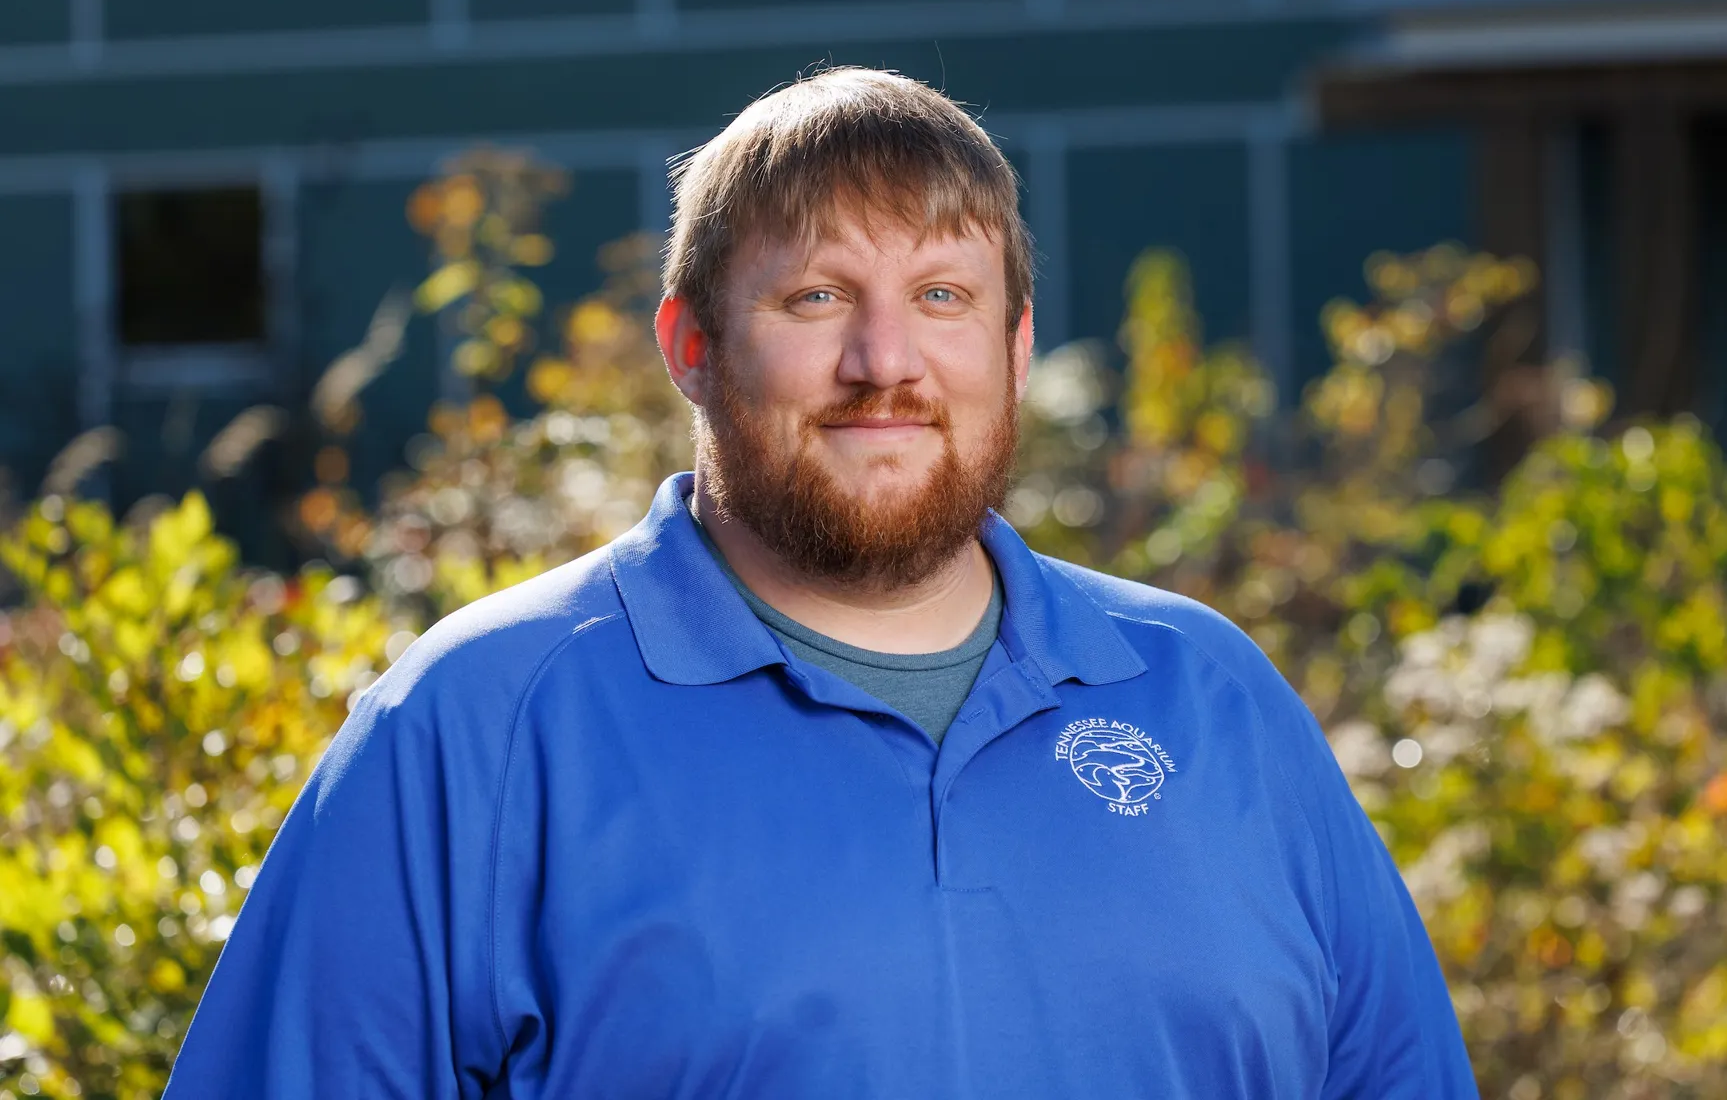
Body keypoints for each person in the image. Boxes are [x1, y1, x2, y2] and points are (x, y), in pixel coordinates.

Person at [163, 68, 1476, 1098]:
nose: (885, 360)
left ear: (1015, 346)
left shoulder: (1209, 697)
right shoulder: (478, 725)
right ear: (690, 345)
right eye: (814, 298)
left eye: (944, 294)